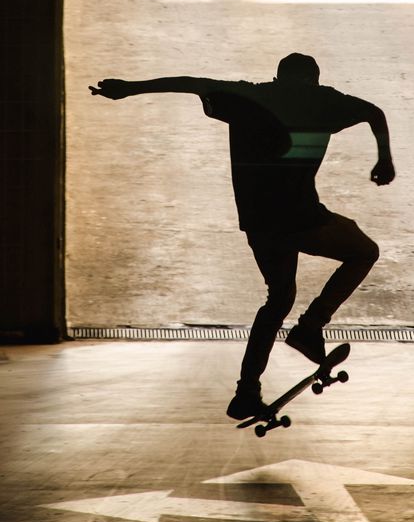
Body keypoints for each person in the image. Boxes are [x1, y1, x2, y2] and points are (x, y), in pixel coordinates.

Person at [89, 52, 395, 420]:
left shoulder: (250, 96)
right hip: (301, 217)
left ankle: (247, 390)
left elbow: (189, 82)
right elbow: (374, 112)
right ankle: (312, 325)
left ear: (277, 78)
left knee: (279, 298)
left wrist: (130, 88)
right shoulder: (324, 100)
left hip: (260, 223)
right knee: (364, 251)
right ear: (314, 79)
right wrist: (384, 158)